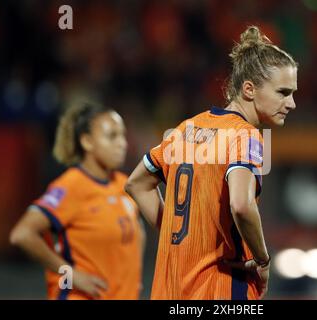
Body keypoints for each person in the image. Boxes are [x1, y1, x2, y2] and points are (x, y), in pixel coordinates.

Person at [126, 25, 298, 300]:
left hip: (168, 291)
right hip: (220, 289)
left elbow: (136, 184)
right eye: (283, 92)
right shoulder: (246, 136)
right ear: (250, 89)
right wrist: (263, 260)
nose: (292, 103)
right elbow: (241, 205)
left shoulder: (186, 128)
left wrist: (179, 233)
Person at [10, 103, 145, 300]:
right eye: (112, 136)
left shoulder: (124, 184)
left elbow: (137, 230)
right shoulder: (71, 186)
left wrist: (134, 279)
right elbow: (22, 234)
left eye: (123, 135)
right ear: (87, 142)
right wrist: (72, 275)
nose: (122, 143)